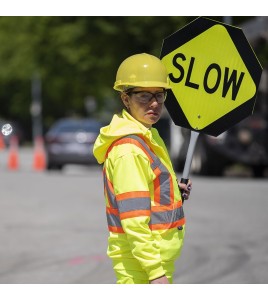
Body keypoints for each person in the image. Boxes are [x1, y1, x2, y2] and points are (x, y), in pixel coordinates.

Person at [93, 53, 192, 284]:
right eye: (144, 96)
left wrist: (173, 190)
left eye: (159, 94)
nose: (155, 103)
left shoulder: (148, 135)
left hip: (151, 261)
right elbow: (133, 220)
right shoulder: (129, 149)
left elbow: (146, 191)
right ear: (125, 99)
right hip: (142, 267)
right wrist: (155, 273)